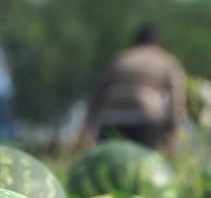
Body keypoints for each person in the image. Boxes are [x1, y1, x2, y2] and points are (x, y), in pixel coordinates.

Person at [79, 23, 187, 154]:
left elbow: (98, 91)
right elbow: (177, 98)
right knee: (143, 166)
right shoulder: (166, 60)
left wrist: (88, 124)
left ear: (135, 41)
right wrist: (173, 131)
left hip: (112, 117)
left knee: (110, 164)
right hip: (145, 119)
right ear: (158, 43)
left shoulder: (120, 58)